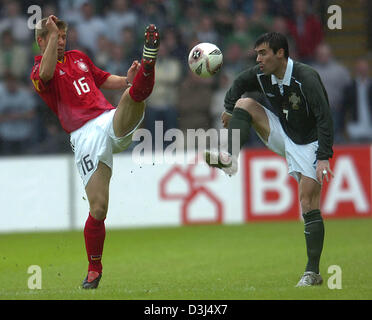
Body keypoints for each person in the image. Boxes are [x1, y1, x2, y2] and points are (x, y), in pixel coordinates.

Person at [30, 15, 159, 289]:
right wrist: (52, 37)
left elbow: (102, 79)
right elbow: (46, 74)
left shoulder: (78, 57)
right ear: (41, 41)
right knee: (99, 209)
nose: (62, 41)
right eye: (55, 36)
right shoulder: (40, 70)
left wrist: (127, 79)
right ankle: (94, 269)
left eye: (63, 36)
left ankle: (147, 69)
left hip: (107, 120)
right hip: (83, 136)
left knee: (130, 95)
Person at [204, 32, 334, 287]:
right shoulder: (261, 74)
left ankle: (312, 272)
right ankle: (230, 157)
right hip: (284, 133)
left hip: (310, 142)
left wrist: (324, 157)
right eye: (257, 54)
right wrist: (230, 109)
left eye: (263, 53)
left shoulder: (306, 77)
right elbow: (239, 83)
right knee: (245, 103)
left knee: (307, 202)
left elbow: (324, 117)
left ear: (280, 54)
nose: (259, 59)